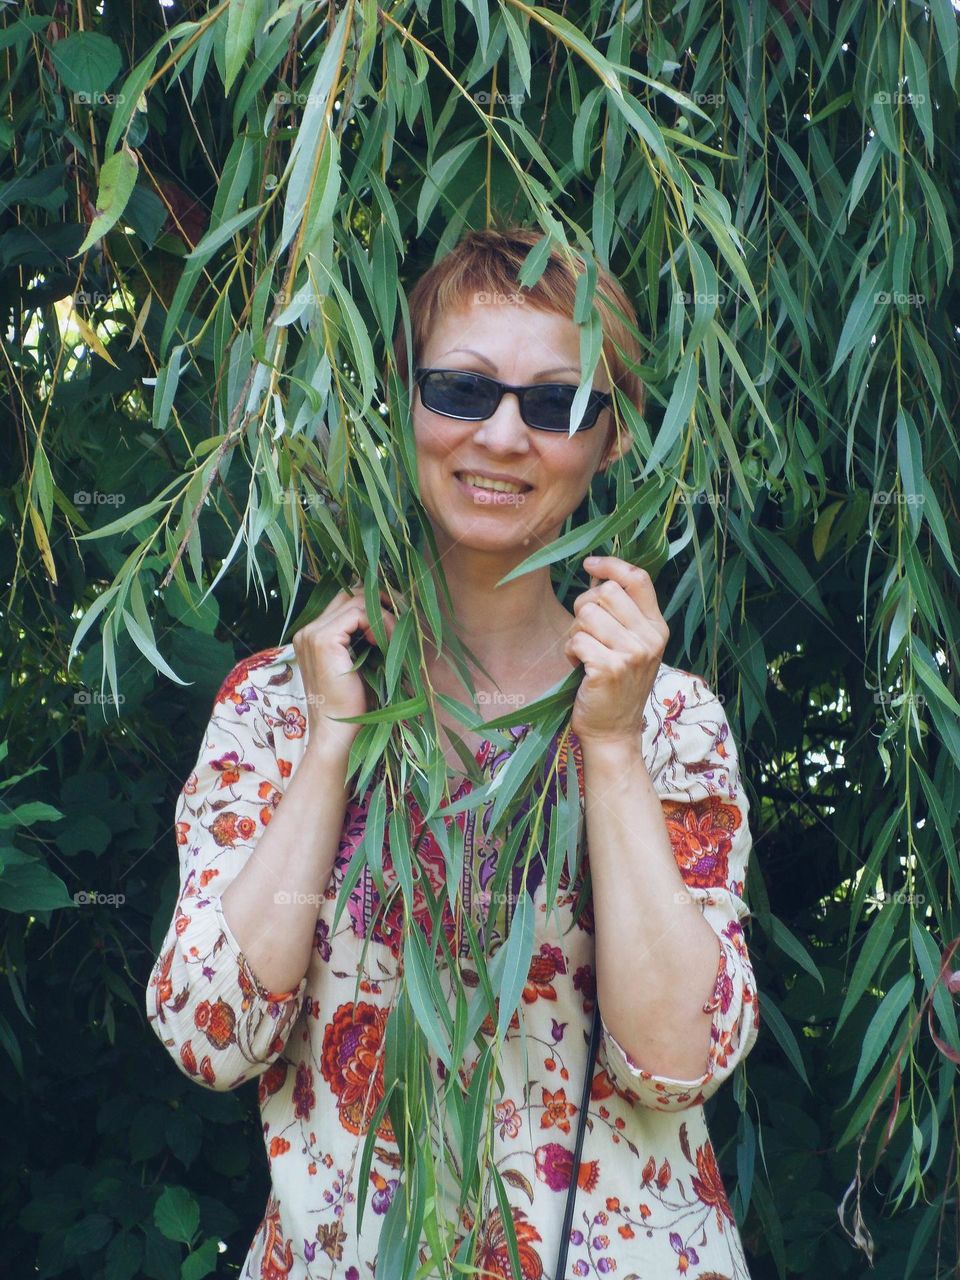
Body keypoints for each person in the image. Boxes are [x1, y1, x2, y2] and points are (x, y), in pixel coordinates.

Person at [146, 226, 761, 1280]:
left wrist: (607, 747)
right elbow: (214, 1033)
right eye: (465, 392)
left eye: (558, 402)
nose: (506, 437)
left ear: (610, 439)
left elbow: (674, 1061)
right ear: (407, 407)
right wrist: (336, 741)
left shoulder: (669, 721)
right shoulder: (280, 705)